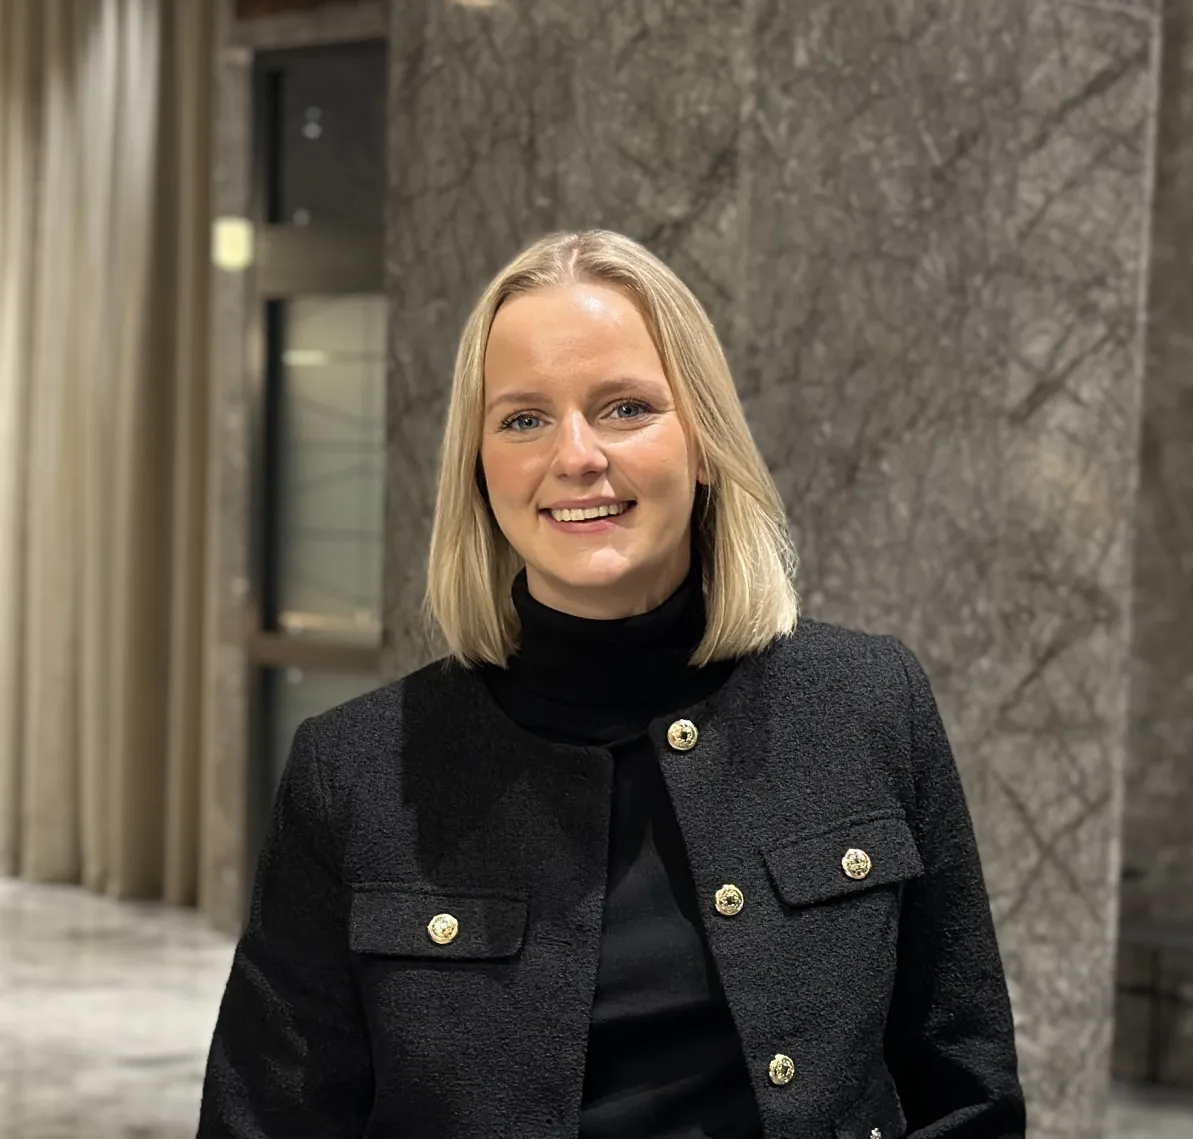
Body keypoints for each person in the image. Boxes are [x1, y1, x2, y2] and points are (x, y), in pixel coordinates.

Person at [196, 230, 1025, 1139]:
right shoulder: (355, 771)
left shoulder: (868, 704)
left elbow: (969, 1095)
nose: (577, 455)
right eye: (523, 419)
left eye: (625, 407)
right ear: (478, 471)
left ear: (704, 442)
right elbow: (262, 1120)